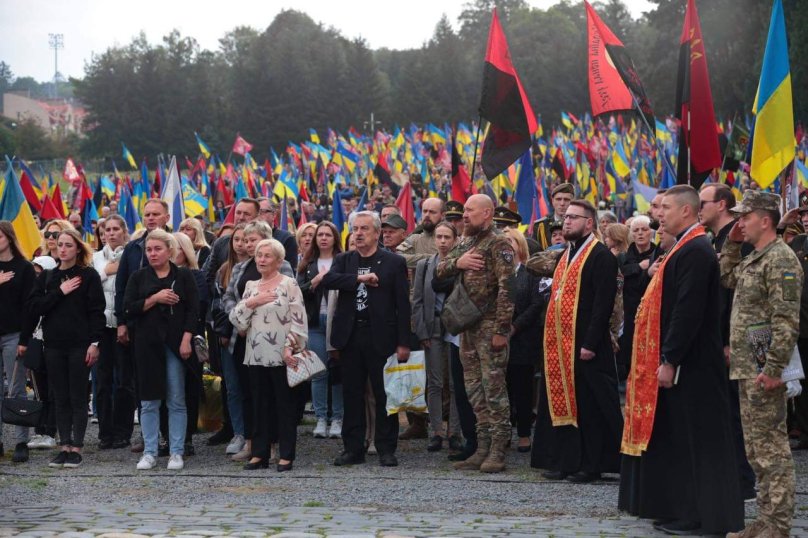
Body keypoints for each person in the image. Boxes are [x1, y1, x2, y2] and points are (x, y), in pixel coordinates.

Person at [618, 185, 743, 536]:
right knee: (682, 441)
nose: (660, 215)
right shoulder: (684, 248)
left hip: (695, 365)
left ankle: (702, 517)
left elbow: (686, 312)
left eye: (667, 208)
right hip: (686, 363)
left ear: (686, 212)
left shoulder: (696, 251)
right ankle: (683, 509)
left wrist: (670, 358)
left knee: (699, 442)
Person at [721, 190, 802, 538]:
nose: (740, 222)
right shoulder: (756, 257)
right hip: (747, 366)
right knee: (756, 450)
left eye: (746, 216)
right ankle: (765, 520)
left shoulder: (781, 259)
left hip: (764, 370)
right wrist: (732, 244)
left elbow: (786, 320)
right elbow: (726, 277)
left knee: (772, 450)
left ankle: (779, 525)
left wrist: (773, 370)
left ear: (765, 220)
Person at [538, 200, 622, 483]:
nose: (567, 222)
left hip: (587, 345)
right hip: (561, 344)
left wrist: (590, 342)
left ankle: (592, 463)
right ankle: (567, 460)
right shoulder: (566, 254)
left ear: (589, 222)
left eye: (574, 217)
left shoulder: (601, 256)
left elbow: (602, 304)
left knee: (590, 404)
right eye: (565, 217)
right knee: (565, 403)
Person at [322, 211, 411, 467]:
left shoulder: (393, 262)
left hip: (380, 336)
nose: (358, 233)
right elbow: (329, 280)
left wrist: (404, 342)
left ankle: (385, 448)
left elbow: (402, 305)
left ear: (376, 233)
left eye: (364, 229)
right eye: (355, 229)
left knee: (384, 395)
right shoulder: (345, 259)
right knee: (351, 394)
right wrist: (359, 279)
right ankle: (353, 448)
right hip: (350, 336)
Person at [436, 194, 515, 473]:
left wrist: (502, 330)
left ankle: (497, 450)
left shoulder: (499, 243)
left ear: (487, 213)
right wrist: (459, 263)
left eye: (470, 210)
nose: (464, 215)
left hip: (490, 326)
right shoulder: (466, 241)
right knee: (474, 389)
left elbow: (508, 289)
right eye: (464, 210)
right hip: (467, 327)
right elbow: (440, 268)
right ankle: (481, 447)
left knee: (494, 389)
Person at [698, 183, 757, 501]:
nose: (698, 208)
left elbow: (741, 298)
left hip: (738, 344)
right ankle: (734, 477)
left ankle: (744, 481)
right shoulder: (718, 241)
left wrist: (732, 342)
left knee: (740, 416)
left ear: (721, 205)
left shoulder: (743, 245)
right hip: (721, 341)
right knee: (727, 414)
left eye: (703, 202)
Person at [29, 228, 105, 469]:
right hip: (53, 345)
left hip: (80, 345)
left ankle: (77, 447)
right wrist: (59, 292)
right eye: (60, 244)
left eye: (68, 245)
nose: (62, 248)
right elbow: (35, 307)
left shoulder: (89, 275)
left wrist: (95, 343)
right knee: (59, 396)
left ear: (78, 248)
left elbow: (96, 312)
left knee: (77, 396)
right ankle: (64, 446)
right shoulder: (47, 277)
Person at [123, 230, 199, 471]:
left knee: (176, 399)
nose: (153, 253)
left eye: (158, 249)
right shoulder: (138, 277)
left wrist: (187, 339)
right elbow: (128, 309)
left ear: (170, 250)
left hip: (176, 344)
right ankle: (150, 451)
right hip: (147, 345)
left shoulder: (184, 276)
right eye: (149, 249)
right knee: (148, 401)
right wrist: (154, 299)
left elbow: (193, 310)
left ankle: (176, 451)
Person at [230, 239, 307, 472]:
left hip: (283, 355)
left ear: (279, 260)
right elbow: (237, 320)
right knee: (258, 405)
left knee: (284, 406)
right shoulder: (251, 286)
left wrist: (290, 346)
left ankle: (285, 454)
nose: (261, 259)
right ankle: (259, 453)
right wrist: (253, 302)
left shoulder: (289, 283)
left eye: (267, 256)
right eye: (259, 255)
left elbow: (299, 320)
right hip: (255, 354)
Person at [412, 221, 462, 452]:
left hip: (455, 329)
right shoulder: (425, 265)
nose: (442, 241)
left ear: (455, 240)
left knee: (454, 383)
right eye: (439, 237)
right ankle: (436, 432)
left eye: (447, 237)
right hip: (432, 328)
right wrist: (421, 330)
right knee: (434, 382)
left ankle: (454, 431)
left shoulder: (461, 265)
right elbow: (418, 300)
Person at [90, 215, 135, 450]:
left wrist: (109, 271)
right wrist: (112, 269)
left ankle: (123, 431)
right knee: (102, 381)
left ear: (124, 232)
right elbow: (95, 277)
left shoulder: (132, 254)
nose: (111, 233)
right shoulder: (95, 256)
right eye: (107, 229)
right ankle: (105, 432)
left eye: (116, 228)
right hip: (101, 326)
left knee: (124, 381)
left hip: (124, 322)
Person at [298, 221, 344, 439]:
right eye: (320, 235)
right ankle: (320, 418)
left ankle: (337, 418)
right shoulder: (307, 263)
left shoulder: (343, 260)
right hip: (315, 322)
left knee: (337, 371)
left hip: (337, 321)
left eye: (328, 234)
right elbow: (297, 292)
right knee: (318, 372)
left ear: (335, 238)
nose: (324, 238)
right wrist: (314, 282)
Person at [501, 227, 544, 453]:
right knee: (503, 389)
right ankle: (504, 431)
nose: (507, 244)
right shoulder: (497, 272)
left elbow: (537, 304)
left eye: (511, 240)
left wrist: (515, 326)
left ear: (520, 245)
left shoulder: (530, 273)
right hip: (498, 341)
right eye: (503, 241)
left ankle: (524, 433)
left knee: (523, 389)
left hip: (523, 339)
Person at [211, 223, 249, 456]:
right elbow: (217, 305)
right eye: (237, 240)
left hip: (254, 337)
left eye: (246, 240)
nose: (241, 244)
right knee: (233, 386)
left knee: (251, 387)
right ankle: (239, 432)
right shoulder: (223, 270)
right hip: (230, 337)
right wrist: (224, 331)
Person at [0, 222, 37, 462]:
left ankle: (21, 440)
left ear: (9, 238)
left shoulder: (24, 268)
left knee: (16, 389)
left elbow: (30, 306)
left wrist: (25, 338)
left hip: (14, 334)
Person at [172, 232, 208, 456]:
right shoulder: (155, 275)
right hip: (162, 339)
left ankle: (186, 437)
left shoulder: (196, 277)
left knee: (188, 388)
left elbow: (199, 307)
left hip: (188, 338)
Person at [617, 216, 659, 381]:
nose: (640, 233)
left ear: (651, 232)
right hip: (629, 313)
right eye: (636, 230)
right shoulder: (623, 257)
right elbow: (621, 275)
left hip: (652, 312)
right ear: (631, 234)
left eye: (645, 229)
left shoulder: (659, 253)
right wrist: (639, 268)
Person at [256, 197, 298, 271]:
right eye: (256, 212)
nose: (258, 216)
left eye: (262, 211)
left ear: (274, 215)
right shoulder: (246, 238)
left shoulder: (286, 238)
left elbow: (289, 273)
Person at [531, 183, 574, 250]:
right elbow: (534, 254)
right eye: (558, 199)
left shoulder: (578, 224)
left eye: (566, 200)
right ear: (552, 201)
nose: (562, 203)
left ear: (573, 202)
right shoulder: (540, 226)